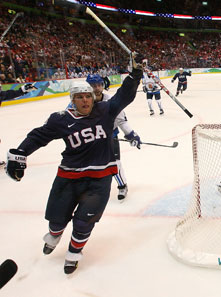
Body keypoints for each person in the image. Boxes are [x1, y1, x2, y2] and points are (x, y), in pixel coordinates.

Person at [4, 54, 144, 274]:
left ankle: (73, 253)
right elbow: (39, 136)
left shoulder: (105, 111)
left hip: (99, 179)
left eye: (88, 96)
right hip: (68, 178)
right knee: (57, 220)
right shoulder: (60, 119)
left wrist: (135, 74)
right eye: (80, 97)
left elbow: (124, 96)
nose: (86, 100)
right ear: (72, 99)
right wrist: (20, 152)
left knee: (83, 223)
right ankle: (54, 235)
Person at [85, 74, 142, 201]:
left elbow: (121, 120)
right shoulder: (82, 101)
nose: (97, 88)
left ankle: (122, 185)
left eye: (99, 85)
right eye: (93, 86)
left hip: (111, 136)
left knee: (115, 163)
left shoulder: (111, 100)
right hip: (91, 138)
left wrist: (131, 134)